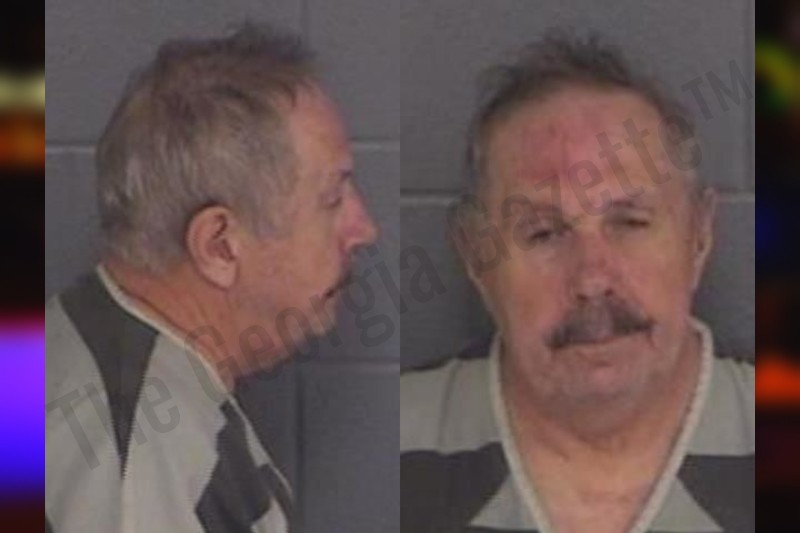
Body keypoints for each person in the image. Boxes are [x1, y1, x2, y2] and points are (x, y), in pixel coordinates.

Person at [401, 32, 753, 533]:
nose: (592, 279)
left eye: (630, 223)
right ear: (477, 258)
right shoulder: (395, 439)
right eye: (543, 233)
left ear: (698, 236)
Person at [46, 24, 378, 533]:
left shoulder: (91, 329)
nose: (364, 229)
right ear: (219, 245)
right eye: (332, 199)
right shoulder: (141, 462)